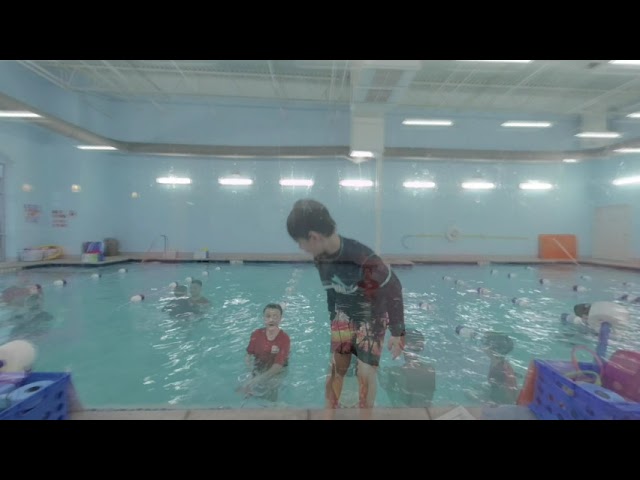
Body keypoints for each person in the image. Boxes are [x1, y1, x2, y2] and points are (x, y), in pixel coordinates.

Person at [286, 199, 405, 413]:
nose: (300, 247)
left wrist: (397, 332)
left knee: (365, 373)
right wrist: (335, 320)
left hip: (372, 316)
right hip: (344, 315)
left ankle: (365, 415)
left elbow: (394, 288)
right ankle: (328, 414)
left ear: (314, 237)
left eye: (300, 242)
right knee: (336, 368)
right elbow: (331, 290)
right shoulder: (320, 257)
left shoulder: (362, 258)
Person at [237, 303, 290, 402]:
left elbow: (278, 366)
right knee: (244, 391)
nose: (271, 319)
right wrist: (252, 370)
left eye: (275, 316)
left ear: (280, 318)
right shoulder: (256, 334)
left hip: (277, 372)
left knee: (270, 395)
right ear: (263, 318)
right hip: (259, 366)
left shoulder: (284, 338)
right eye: (268, 316)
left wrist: (258, 379)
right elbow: (248, 355)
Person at [377, 329, 436, 407]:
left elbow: (390, 394)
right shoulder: (431, 370)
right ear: (422, 347)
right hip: (426, 413)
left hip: (406, 415)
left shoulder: (396, 372)